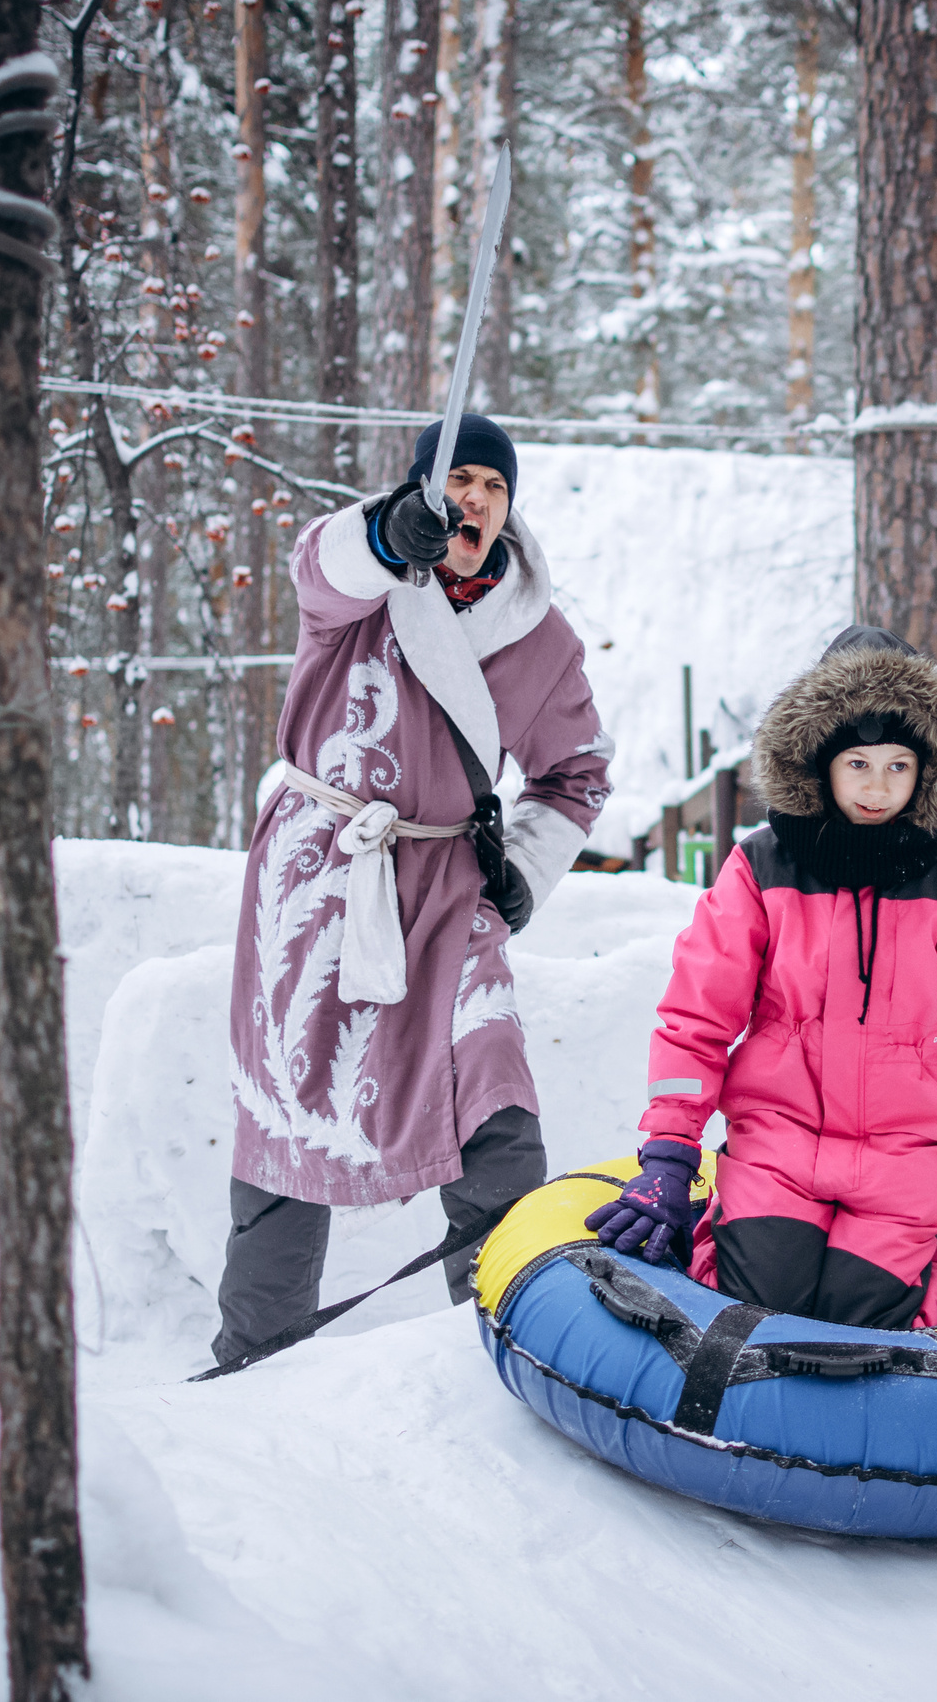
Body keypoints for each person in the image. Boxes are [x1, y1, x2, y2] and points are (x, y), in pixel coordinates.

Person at [213, 414, 612, 1364]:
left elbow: (578, 771)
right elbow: (323, 562)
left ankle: (514, 1335)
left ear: (509, 512)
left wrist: (521, 869)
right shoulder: (357, 584)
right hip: (314, 882)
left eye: (494, 486)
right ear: (423, 491)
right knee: (290, 1109)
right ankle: (253, 1354)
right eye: (456, 480)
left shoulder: (539, 634)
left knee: (493, 1100)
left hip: (445, 890)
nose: (474, 498)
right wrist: (389, 535)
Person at [585, 626, 937, 1330]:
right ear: (819, 760)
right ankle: (716, 1231)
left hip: (902, 1154)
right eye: (857, 762)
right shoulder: (762, 867)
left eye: (898, 765)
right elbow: (697, 1016)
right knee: (763, 1294)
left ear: (928, 769)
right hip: (777, 1141)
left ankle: (936, 1252)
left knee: (863, 1310)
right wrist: (670, 1154)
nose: (876, 786)